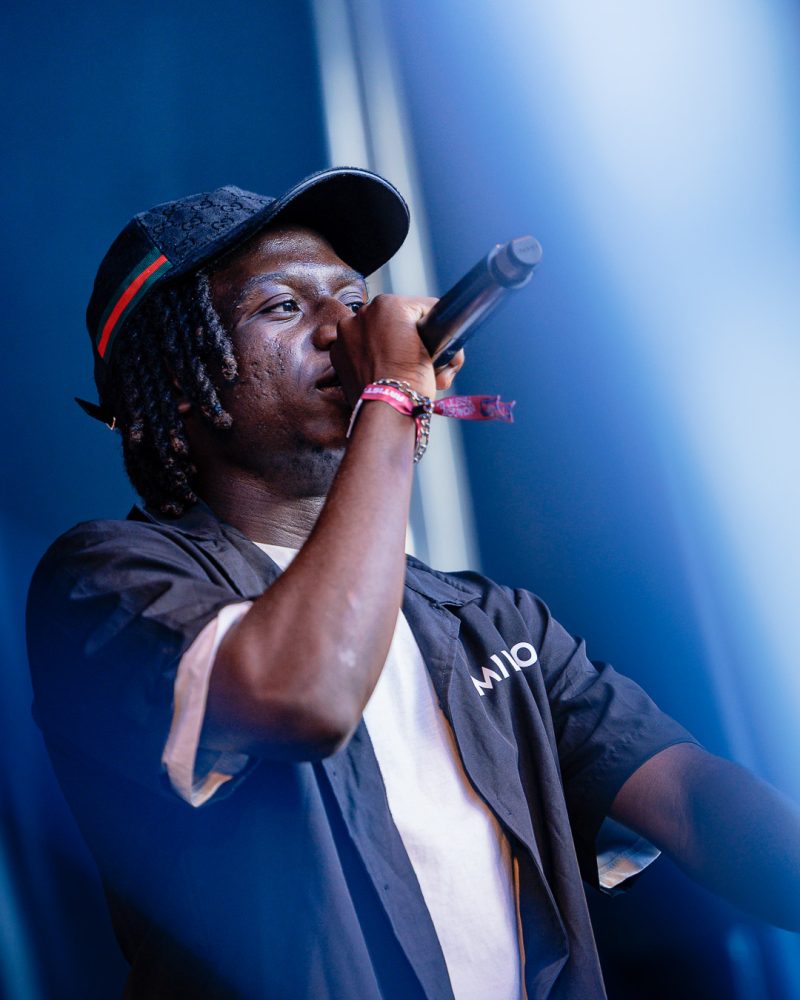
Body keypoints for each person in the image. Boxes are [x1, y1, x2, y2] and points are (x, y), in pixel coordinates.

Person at [27, 167, 800, 999]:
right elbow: (307, 694)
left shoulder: (490, 622)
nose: (345, 329)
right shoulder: (106, 581)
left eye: (354, 301)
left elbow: (690, 802)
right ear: (180, 380)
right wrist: (392, 397)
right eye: (282, 306)